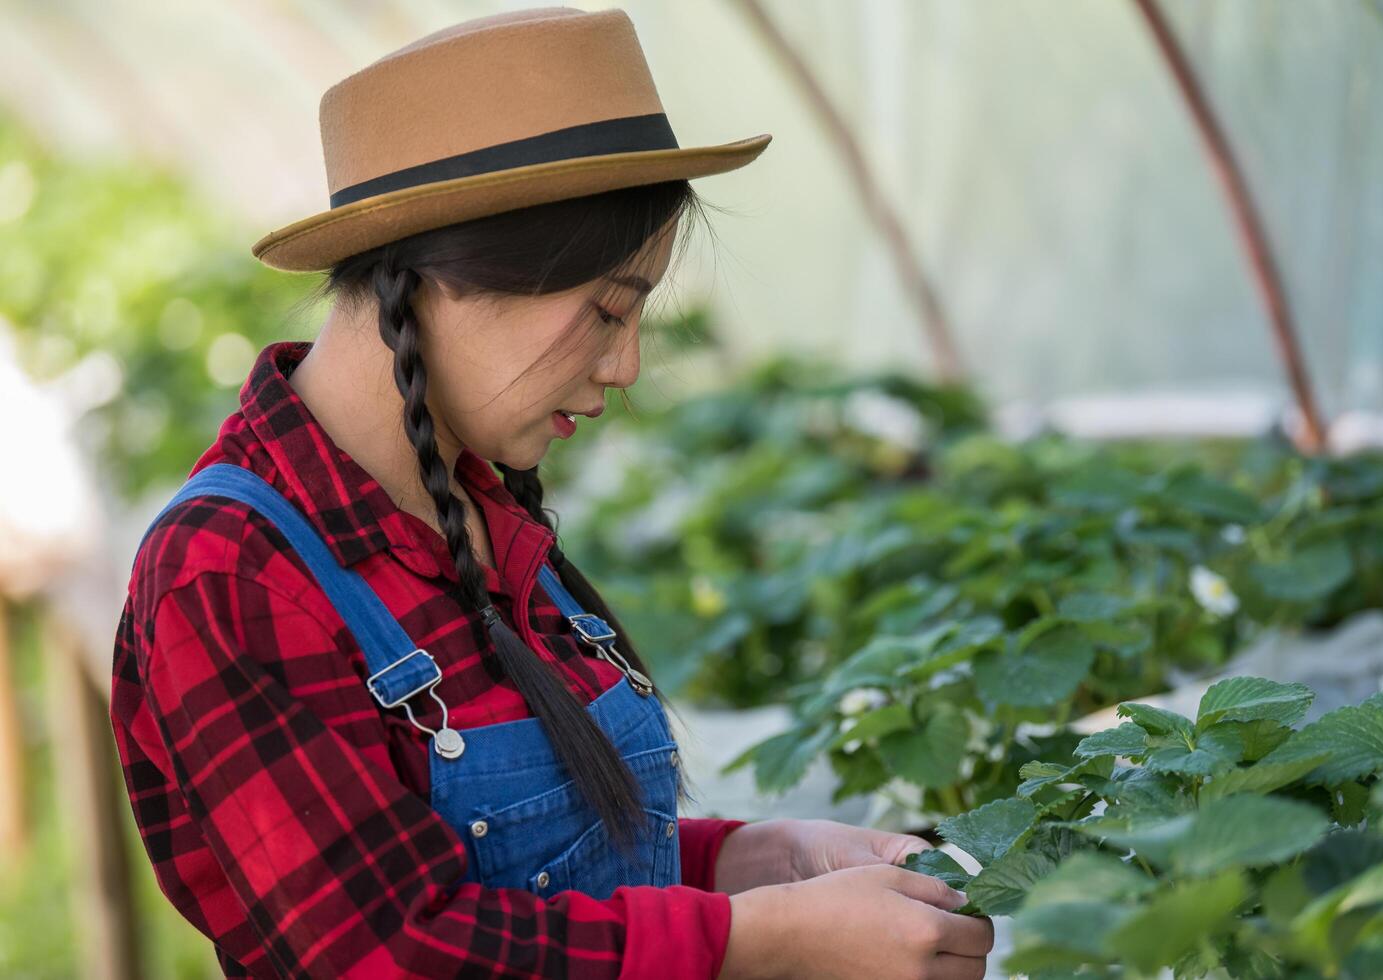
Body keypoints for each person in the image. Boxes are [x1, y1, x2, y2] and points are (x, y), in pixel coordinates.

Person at [109, 7, 994, 978]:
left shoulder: (486, 511)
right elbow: (387, 951)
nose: (626, 364)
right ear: (441, 278)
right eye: (606, 310)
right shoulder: (232, 571)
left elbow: (550, 871)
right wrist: (759, 943)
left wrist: (754, 862)